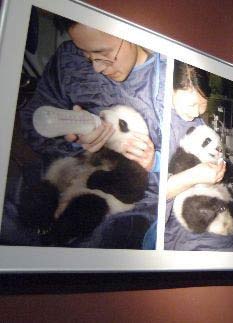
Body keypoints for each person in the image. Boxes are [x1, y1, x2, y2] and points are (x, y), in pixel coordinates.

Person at [1, 15, 166, 248]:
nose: (96, 68)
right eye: (87, 56)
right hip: (59, 174)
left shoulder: (165, 83)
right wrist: (70, 137)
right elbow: (33, 122)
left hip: (117, 196)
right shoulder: (69, 59)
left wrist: (153, 161)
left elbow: (167, 176)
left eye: (103, 54)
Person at [142, 61, 233, 251]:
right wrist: (194, 176)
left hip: (207, 207)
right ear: (169, 90)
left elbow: (213, 153)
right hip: (174, 223)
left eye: (202, 106)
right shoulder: (152, 122)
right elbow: (148, 195)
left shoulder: (196, 122)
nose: (196, 113)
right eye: (191, 104)